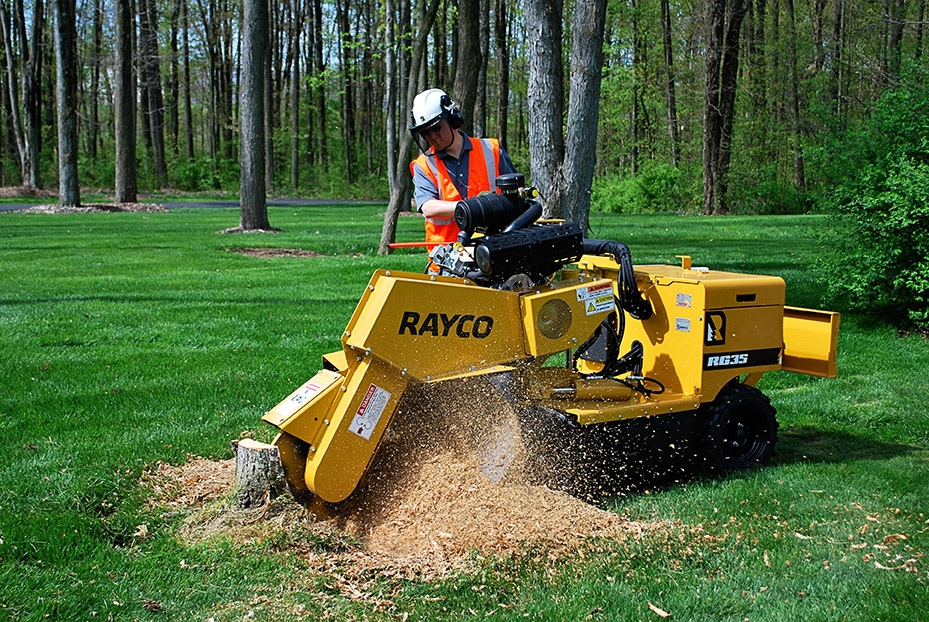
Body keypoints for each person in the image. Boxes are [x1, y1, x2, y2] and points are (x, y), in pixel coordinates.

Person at [409, 88, 516, 244]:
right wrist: (471, 207)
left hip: (494, 247)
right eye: (425, 132)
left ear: (453, 119)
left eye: (436, 128)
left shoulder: (491, 150)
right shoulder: (424, 165)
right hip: (447, 256)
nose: (432, 136)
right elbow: (428, 207)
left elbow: (516, 192)